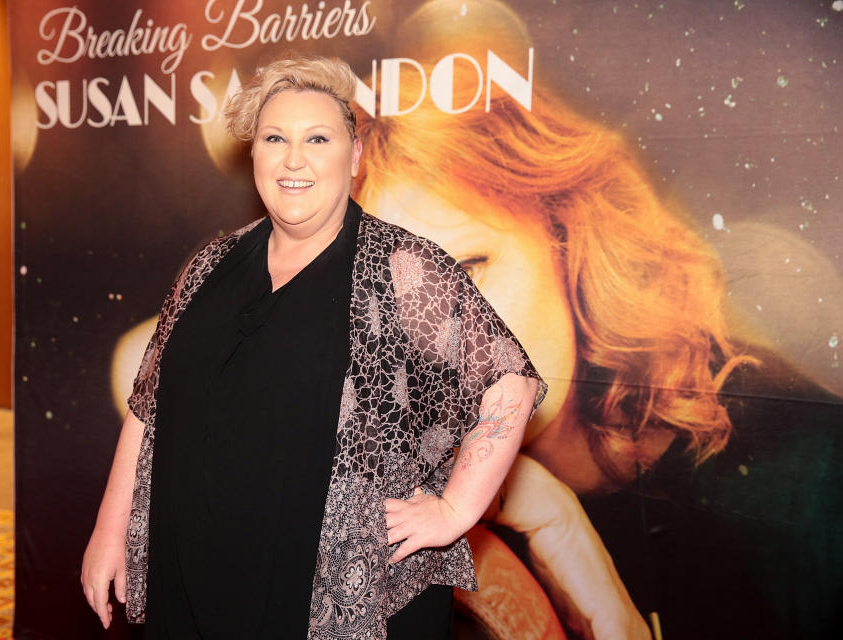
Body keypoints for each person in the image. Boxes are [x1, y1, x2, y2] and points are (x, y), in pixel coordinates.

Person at [350, 12, 843, 637]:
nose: (443, 343)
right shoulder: (404, 510)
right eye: (390, 307)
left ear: (566, 233)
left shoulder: (808, 479)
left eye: (469, 270)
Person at [80, 54, 546, 640]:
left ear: (352, 158)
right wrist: (109, 530)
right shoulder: (208, 265)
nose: (293, 159)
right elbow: (149, 407)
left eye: (317, 138)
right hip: (194, 576)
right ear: (254, 155)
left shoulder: (402, 268)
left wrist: (454, 510)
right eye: (275, 138)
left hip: (325, 596)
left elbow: (511, 384)